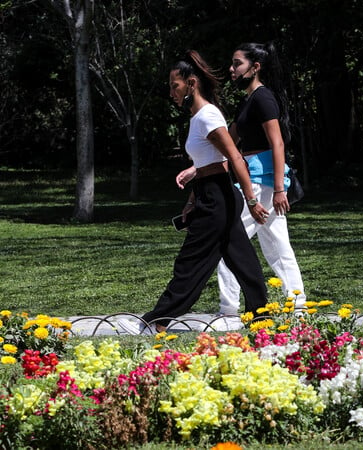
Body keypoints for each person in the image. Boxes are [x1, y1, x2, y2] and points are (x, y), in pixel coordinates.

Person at [118, 50, 269, 335]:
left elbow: (234, 158)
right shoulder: (198, 117)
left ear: (191, 83)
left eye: (175, 86)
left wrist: (251, 199)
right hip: (211, 195)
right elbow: (206, 164)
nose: (172, 93)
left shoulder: (207, 116)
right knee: (243, 261)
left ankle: (155, 321)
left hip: (218, 198)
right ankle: (261, 318)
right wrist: (192, 200)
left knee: (191, 261)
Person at [179, 42, 306, 315]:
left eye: (238, 63)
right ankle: (297, 305)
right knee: (276, 247)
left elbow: (278, 143)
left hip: (262, 183)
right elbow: (230, 143)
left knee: (231, 243)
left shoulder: (263, 98)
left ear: (255, 67)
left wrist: (280, 190)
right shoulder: (249, 101)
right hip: (258, 181)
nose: (232, 69)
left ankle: (229, 310)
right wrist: (196, 169)